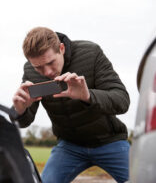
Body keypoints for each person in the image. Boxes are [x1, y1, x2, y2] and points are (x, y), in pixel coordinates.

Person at [12, 27, 130, 183]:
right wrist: (19, 110)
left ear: (61, 48)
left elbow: (122, 100)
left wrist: (87, 96)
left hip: (109, 141)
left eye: (50, 62)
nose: (47, 72)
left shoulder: (91, 53)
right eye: (38, 67)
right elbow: (23, 121)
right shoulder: (30, 71)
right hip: (69, 146)